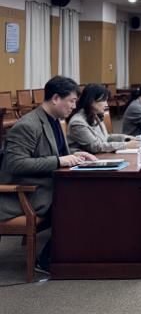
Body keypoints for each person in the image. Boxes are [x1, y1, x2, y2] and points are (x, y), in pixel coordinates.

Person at [0, 76, 97, 274]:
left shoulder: (53, 120)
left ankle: (72, 254)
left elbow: (54, 153)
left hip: (48, 186)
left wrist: (75, 155)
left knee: (91, 197)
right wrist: (59, 161)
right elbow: (15, 164)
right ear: (55, 98)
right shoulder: (28, 125)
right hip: (27, 194)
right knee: (81, 204)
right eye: (71, 101)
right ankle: (47, 260)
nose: (74, 106)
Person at [67, 83, 139, 153]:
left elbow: (106, 138)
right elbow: (95, 146)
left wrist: (127, 138)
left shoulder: (94, 115)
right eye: (104, 100)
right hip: (85, 159)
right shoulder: (78, 122)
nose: (106, 104)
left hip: (97, 156)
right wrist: (125, 145)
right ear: (91, 101)